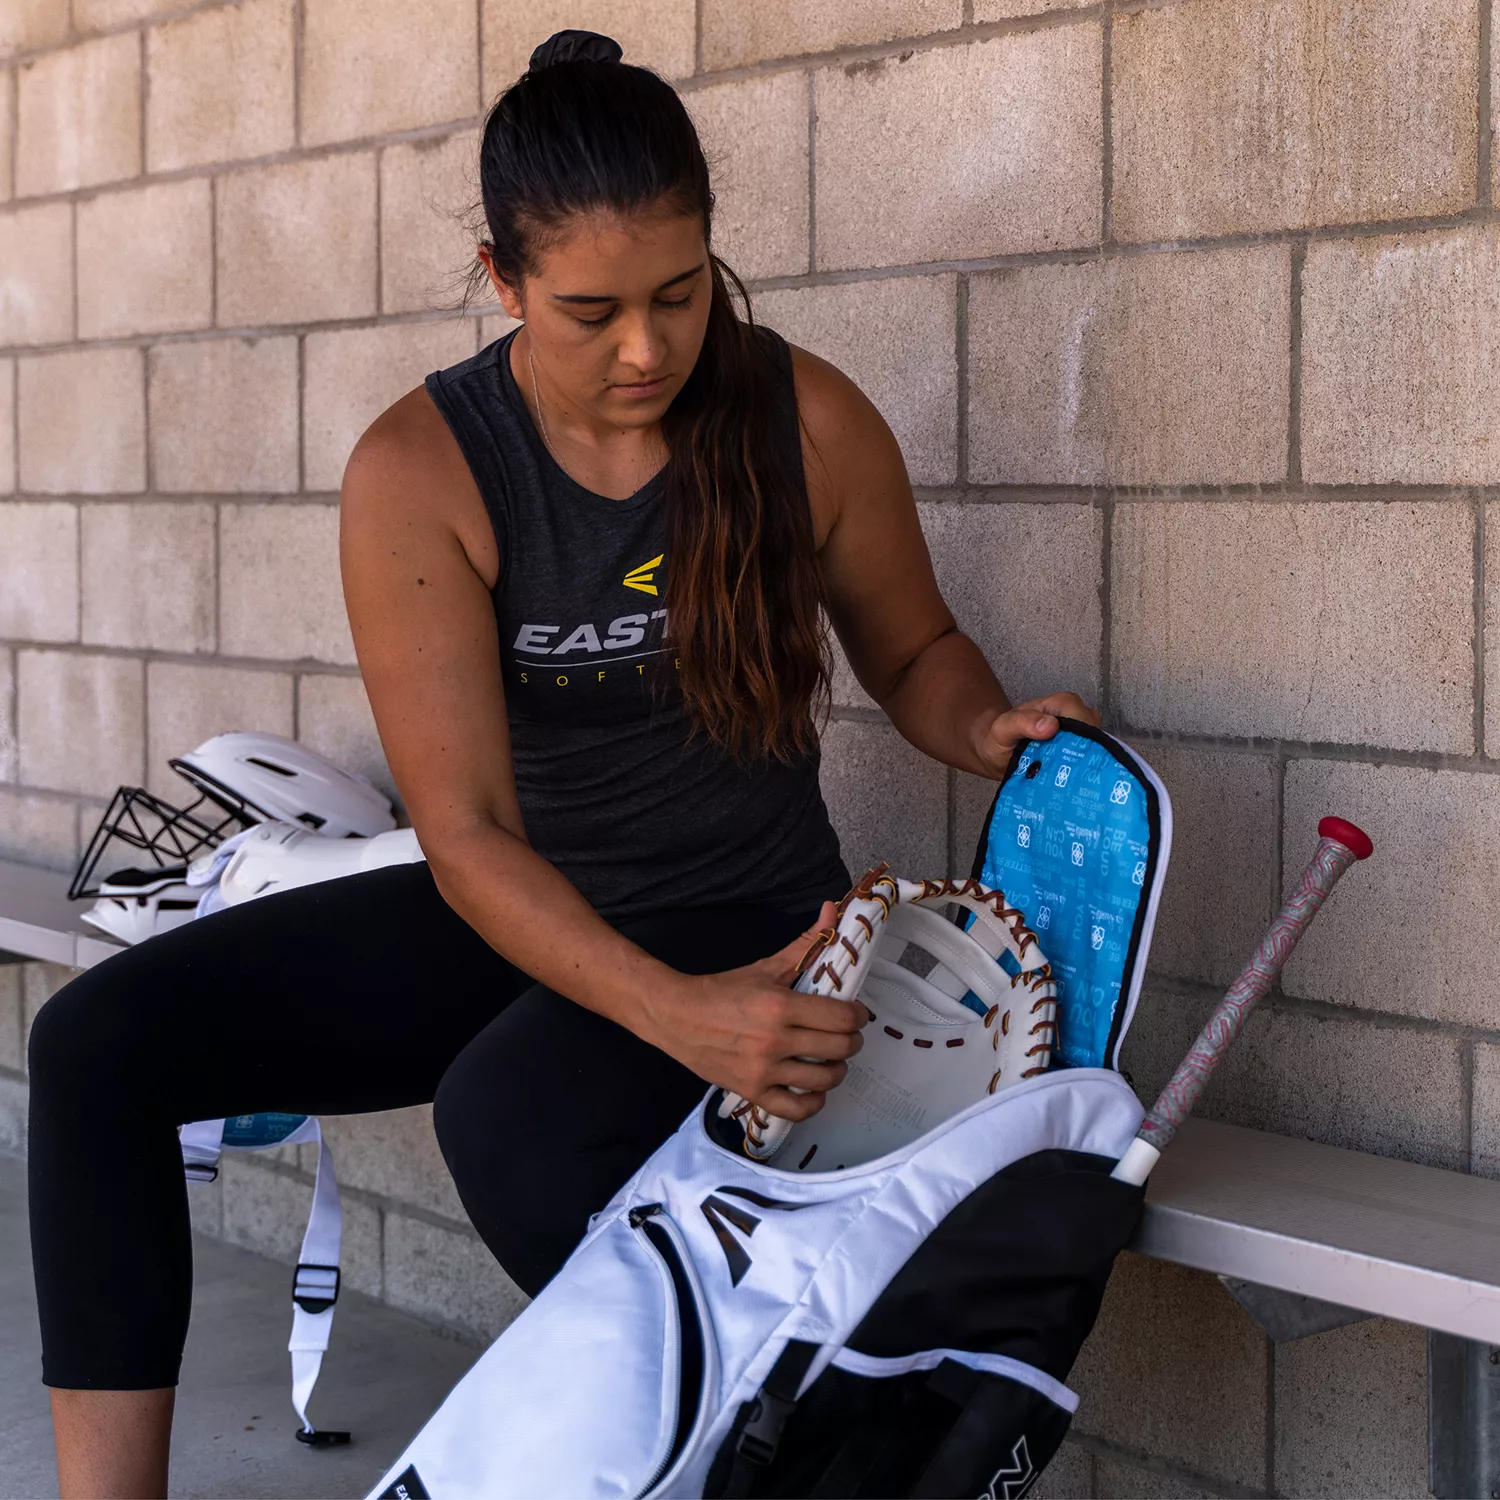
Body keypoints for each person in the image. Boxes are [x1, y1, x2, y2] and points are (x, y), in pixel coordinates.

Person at [25, 28, 1097, 1499]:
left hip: (743, 917)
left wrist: (980, 728)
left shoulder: (807, 421)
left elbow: (916, 652)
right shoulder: (423, 470)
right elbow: (464, 835)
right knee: (96, 1049)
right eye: (593, 311)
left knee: (510, 1118)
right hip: (514, 903)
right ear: (502, 278)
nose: (647, 349)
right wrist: (675, 1020)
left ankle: (781, 1452)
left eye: (680, 294)